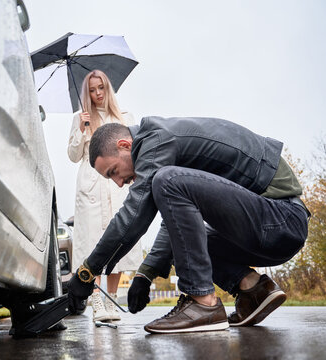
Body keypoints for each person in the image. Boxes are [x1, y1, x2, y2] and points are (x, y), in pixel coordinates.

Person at [67, 116, 310, 333]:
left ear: (124, 145)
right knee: (179, 233)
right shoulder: (163, 144)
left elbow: (135, 212)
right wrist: (145, 273)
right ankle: (253, 289)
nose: (119, 183)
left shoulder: (156, 139)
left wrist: (88, 271)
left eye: (113, 172)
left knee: (165, 180)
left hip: (282, 219)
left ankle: (202, 303)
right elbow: (176, 225)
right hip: (269, 226)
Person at [67, 70, 143, 322]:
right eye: (92, 89)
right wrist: (81, 130)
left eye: (101, 88)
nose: (97, 93)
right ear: (86, 93)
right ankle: (96, 301)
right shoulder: (81, 118)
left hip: (116, 185)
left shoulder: (124, 117)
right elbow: (73, 155)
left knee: (117, 239)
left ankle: (111, 302)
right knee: (93, 242)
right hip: (91, 186)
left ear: (108, 88)